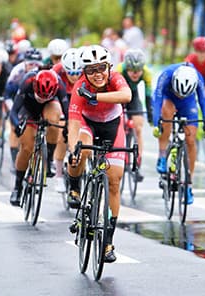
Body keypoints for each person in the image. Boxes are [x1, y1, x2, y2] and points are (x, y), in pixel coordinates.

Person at [66, 45, 131, 263]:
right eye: (91, 70)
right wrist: (72, 148)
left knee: (114, 181)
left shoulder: (115, 79)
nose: (97, 74)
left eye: (101, 68)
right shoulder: (79, 87)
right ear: (84, 72)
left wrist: (95, 96)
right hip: (87, 125)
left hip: (113, 126)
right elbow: (73, 123)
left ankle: (108, 241)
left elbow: (126, 95)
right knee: (81, 147)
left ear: (109, 66)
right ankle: (74, 185)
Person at [153, 63, 205, 205]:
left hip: (188, 102)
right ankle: (161, 155)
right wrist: (157, 123)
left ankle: (188, 184)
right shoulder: (166, 74)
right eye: (178, 91)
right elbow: (157, 99)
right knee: (166, 116)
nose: (179, 94)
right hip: (168, 98)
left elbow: (203, 100)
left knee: (190, 140)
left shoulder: (197, 77)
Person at [8, 69, 67, 206]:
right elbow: (14, 111)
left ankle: (49, 159)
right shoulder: (27, 82)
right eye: (40, 95)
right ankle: (17, 187)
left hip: (50, 106)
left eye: (45, 96)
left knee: (53, 121)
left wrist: (67, 128)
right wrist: (17, 125)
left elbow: (67, 110)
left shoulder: (59, 84)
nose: (41, 98)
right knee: (27, 148)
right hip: (29, 110)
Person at [116, 48, 153, 181]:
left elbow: (149, 97)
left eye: (138, 71)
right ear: (127, 67)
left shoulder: (147, 73)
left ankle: (137, 164)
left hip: (134, 96)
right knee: (117, 124)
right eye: (132, 70)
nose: (135, 73)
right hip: (119, 94)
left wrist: (150, 116)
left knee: (138, 128)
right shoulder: (119, 70)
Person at [4, 48, 44, 168]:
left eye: (36, 64)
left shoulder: (42, 73)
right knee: (15, 125)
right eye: (30, 64)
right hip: (16, 97)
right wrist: (12, 111)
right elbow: (7, 94)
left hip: (33, 99)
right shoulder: (17, 72)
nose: (33, 67)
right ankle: (14, 157)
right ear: (25, 63)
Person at [51, 47, 82, 192]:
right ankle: (58, 175)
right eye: (71, 73)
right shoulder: (57, 71)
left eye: (77, 73)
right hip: (60, 97)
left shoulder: (85, 72)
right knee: (62, 132)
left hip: (78, 98)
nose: (74, 77)